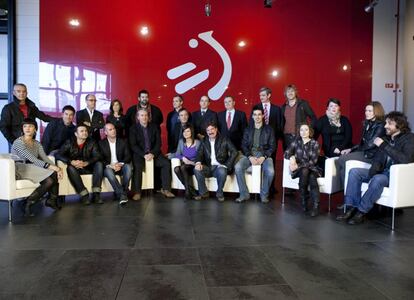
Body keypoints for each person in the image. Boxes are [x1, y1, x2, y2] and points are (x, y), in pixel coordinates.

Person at [337, 111, 414, 224]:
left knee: (378, 179)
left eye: (389, 123)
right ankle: (350, 208)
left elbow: (405, 159)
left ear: (399, 125)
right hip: (381, 172)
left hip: (394, 176)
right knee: (354, 172)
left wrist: (383, 145)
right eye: (386, 123)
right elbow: (378, 159)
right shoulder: (386, 138)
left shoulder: (409, 139)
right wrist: (372, 172)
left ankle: (361, 211)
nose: (385, 126)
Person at [12, 119, 63, 216]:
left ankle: (51, 200)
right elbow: (32, 159)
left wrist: (57, 168)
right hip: (20, 168)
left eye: (30, 126)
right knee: (51, 177)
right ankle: (28, 203)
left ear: (35, 129)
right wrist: (53, 168)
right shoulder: (18, 142)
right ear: (22, 129)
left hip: (32, 167)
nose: (27, 128)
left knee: (53, 175)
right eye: (25, 126)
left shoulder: (37, 143)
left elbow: (44, 158)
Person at [336, 101, 385, 190]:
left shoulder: (381, 125)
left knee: (341, 159)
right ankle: (347, 196)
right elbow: (362, 142)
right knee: (343, 167)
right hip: (364, 151)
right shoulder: (368, 123)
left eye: (370, 111)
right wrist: (350, 149)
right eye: (366, 110)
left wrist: (356, 150)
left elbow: (371, 144)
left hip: (371, 155)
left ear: (377, 112)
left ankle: (348, 194)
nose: (367, 113)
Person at [129, 108, 174, 200]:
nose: (144, 117)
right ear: (138, 117)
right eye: (142, 115)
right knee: (137, 166)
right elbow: (133, 145)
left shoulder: (154, 127)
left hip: (154, 153)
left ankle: (166, 189)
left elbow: (158, 143)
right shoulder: (133, 128)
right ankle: (137, 192)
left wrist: (152, 153)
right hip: (140, 154)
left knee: (165, 163)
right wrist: (144, 155)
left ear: (148, 117)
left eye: (146, 115)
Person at [235, 105, 276, 203]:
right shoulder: (248, 129)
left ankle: (264, 194)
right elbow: (244, 145)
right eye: (255, 115)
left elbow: (272, 146)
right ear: (252, 116)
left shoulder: (269, 130)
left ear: (263, 116)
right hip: (250, 154)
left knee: (270, 171)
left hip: (265, 155)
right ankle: (244, 194)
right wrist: (249, 156)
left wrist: (264, 156)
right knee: (238, 167)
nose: (257, 117)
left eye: (259, 115)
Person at [55, 125, 104, 205]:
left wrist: (86, 163)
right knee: (70, 167)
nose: (84, 133)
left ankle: (96, 195)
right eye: (82, 131)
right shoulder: (69, 142)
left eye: (85, 131)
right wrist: (71, 161)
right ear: (76, 134)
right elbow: (58, 154)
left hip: (88, 167)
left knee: (99, 164)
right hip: (75, 169)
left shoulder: (92, 142)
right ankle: (84, 195)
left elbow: (98, 156)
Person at [284, 124, 322, 216]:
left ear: (310, 132)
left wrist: (298, 166)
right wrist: (292, 157)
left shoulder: (315, 143)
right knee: (305, 171)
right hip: (300, 171)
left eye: (306, 130)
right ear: (299, 132)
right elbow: (286, 153)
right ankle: (309, 202)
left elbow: (313, 161)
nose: (304, 132)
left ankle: (310, 204)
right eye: (301, 130)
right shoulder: (296, 142)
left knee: (311, 176)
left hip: (312, 169)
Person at [193, 122, 237, 202]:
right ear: (206, 132)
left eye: (212, 129)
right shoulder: (204, 141)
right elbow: (199, 154)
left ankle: (219, 193)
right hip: (209, 167)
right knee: (196, 169)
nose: (210, 132)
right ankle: (203, 193)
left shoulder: (224, 139)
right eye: (208, 130)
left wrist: (226, 165)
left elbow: (234, 151)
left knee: (222, 170)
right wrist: (198, 162)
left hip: (220, 167)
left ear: (216, 129)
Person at [99, 123, 132, 205]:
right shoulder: (101, 143)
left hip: (120, 165)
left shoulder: (123, 141)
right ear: (105, 132)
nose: (113, 131)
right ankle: (122, 194)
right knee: (108, 171)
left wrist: (119, 164)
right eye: (110, 130)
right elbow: (100, 158)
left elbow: (128, 156)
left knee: (128, 167)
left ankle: (122, 193)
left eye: (114, 129)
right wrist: (111, 166)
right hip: (109, 166)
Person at [281, 84, 317, 151]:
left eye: (292, 91)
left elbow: (313, 118)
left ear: (296, 92)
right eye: (288, 91)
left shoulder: (303, 104)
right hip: (286, 138)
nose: (290, 93)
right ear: (285, 94)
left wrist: (308, 130)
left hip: (300, 136)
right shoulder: (283, 107)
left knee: (300, 159)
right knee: (288, 159)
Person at [250, 87, 282, 152]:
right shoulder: (256, 107)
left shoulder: (277, 109)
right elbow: (251, 122)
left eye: (263, 95)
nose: (261, 97)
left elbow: (279, 125)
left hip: (272, 139)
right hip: (258, 138)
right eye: (260, 95)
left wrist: (276, 137)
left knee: (272, 159)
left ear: (269, 95)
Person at [173, 124, 201, 199]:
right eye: (184, 131)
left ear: (191, 132)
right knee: (176, 169)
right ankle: (190, 191)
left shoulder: (197, 142)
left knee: (182, 167)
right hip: (184, 166)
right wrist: (183, 158)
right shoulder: (181, 142)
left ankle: (188, 192)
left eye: (188, 131)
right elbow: (177, 154)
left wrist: (191, 162)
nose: (185, 133)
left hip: (194, 166)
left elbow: (200, 157)